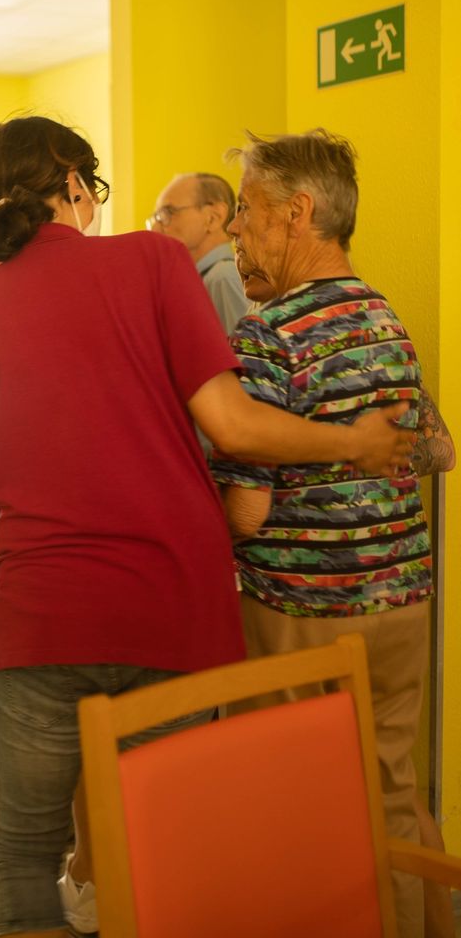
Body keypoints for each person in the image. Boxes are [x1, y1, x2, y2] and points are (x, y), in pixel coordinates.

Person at [0, 115, 414, 938]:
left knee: (29, 861)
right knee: (165, 850)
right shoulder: (151, 261)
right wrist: (355, 441)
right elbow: (234, 425)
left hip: (43, 623)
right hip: (172, 607)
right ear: (76, 187)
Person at [212, 128, 455, 938]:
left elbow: (246, 510)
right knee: (391, 789)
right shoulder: (383, 315)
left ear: (297, 214)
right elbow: (437, 450)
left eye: (246, 209)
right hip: (403, 597)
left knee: (302, 805)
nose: (234, 227)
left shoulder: (265, 333)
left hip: (306, 610)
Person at [148, 171, 250, 334]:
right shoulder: (204, 279)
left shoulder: (222, 277)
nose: (155, 228)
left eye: (168, 213)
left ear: (213, 218)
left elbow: (244, 356)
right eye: (157, 217)